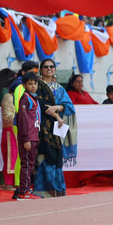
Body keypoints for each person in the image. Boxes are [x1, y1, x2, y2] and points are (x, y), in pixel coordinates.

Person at [35, 58, 76, 196]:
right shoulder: (36, 86)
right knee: (42, 155)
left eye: (51, 66)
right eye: (46, 67)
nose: (49, 69)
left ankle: (56, 188)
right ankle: (41, 188)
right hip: (39, 126)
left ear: (55, 70)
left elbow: (69, 107)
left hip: (55, 127)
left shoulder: (59, 89)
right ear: (41, 69)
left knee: (55, 156)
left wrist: (56, 108)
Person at [14, 72, 43, 200]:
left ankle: (27, 189)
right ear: (24, 85)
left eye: (35, 83)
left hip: (34, 136)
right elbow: (23, 120)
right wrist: (25, 139)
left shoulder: (34, 98)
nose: (33, 86)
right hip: (27, 138)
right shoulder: (25, 99)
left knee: (30, 164)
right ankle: (23, 192)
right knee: (26, 164)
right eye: (30, 84)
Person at [0, 69, 19, 191]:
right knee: (10, 156)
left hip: (2, 127)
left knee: (11, 156)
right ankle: (6, 183)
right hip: (9, 129)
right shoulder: (7, 95)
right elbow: (7, 116)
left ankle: (5, 183)